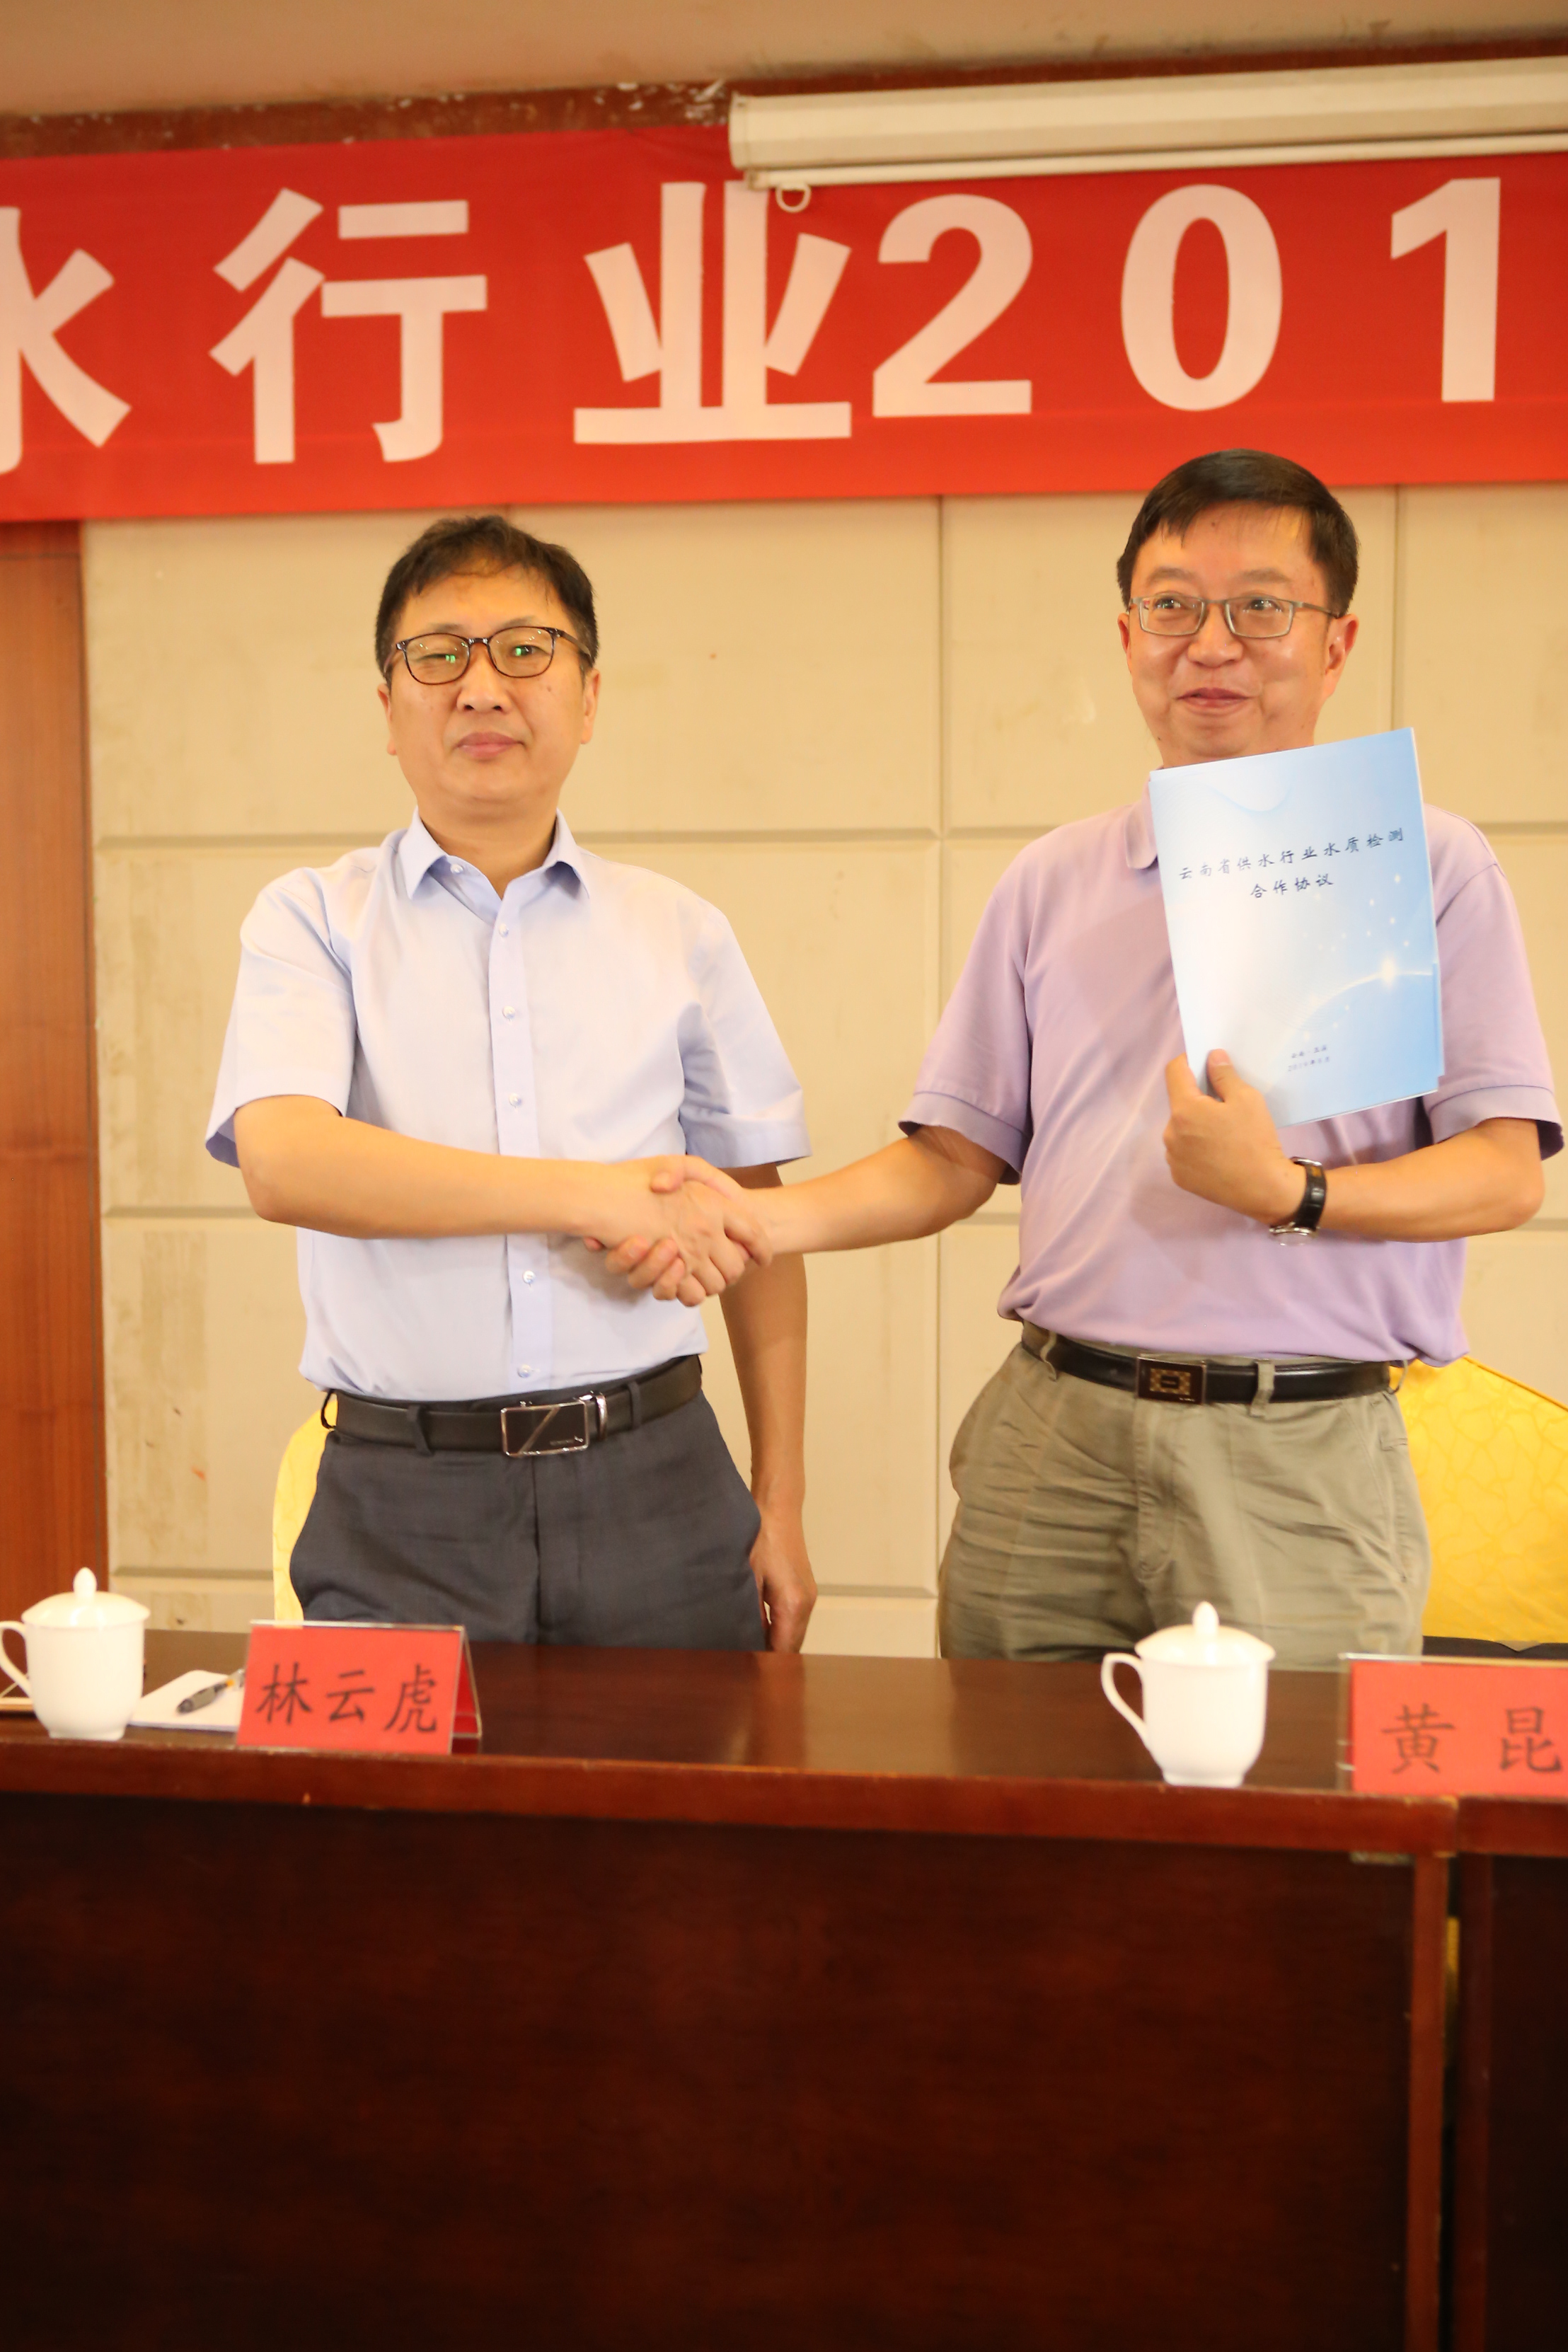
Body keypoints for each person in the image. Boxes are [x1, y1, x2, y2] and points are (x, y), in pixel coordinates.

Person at [609, 449, 1560, 1668]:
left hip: (1300, 1446)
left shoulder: (1428, 865)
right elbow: (951, 1161)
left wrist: (1294, 1192)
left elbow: (1503, 1172)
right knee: (1010, 1775)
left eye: (1261, 607)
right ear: (1127, 638)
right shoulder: (1050, 880)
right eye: (1173, 606)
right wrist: (751, 1220)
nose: (1211, 644)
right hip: (1055, 1436)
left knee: (1297, 1790)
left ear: (1337, 644)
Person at [206, 512, 814, 1651]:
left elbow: (758, 1230)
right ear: (388, 709)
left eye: (526, 651)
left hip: (659, 1484)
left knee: (686, 1778)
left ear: (589, 699)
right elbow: (284, 1163)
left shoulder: (681, 931)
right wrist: (594, 1194)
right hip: (400, 1498)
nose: (482, 688)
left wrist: (780, 1505)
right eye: (439, 656)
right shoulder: (311, 918)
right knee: (376, 1780)